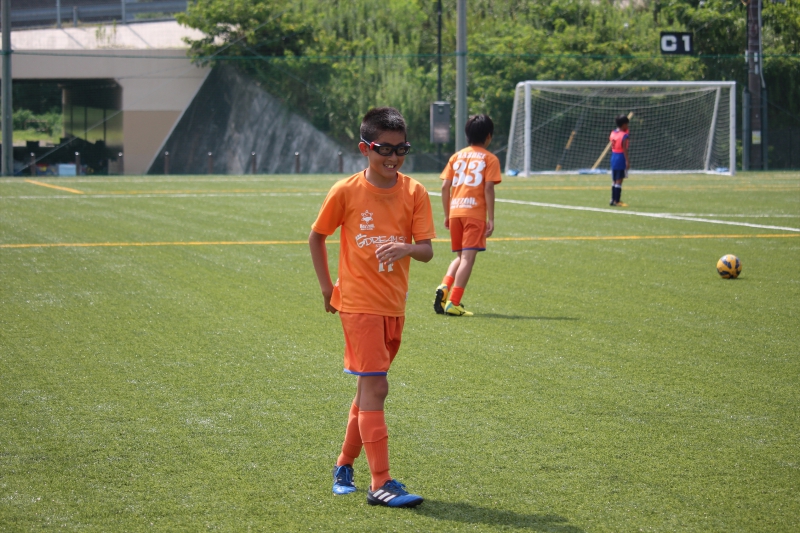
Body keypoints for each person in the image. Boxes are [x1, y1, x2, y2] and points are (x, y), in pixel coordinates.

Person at [309, 107, 435, 508]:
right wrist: (327, 288)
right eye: (385, 149)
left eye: (401, 149)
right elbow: (317, 237)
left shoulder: (415, 192)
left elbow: (428, 251)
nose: (393, 157)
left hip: (393, 306)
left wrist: (406, 248)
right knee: (377, 386)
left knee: (368, 389)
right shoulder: (345, 191)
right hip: (358, 303)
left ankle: (343, 465)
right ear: (366, 148)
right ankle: (380, 482)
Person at [433, 114, 502, 317]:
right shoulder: (490, 159)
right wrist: (491, 218)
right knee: (468, 259)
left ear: (467, 135)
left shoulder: (456, 157)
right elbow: (488, 188)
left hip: (455, 211)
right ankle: (453, 302)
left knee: (460, 257)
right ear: (488, 136)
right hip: (474, 213)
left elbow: (445, 187)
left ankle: (444, 286)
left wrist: (447, 214)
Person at [609, 114, 631, 207]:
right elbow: (624, 149)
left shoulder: (613, 133)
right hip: (620, 156)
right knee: (619, 180)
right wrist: (627, 161)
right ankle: (617, 201)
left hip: (613, 156)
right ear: (624, 124)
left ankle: (612, 199)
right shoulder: (624, 135)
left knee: (614, 180)